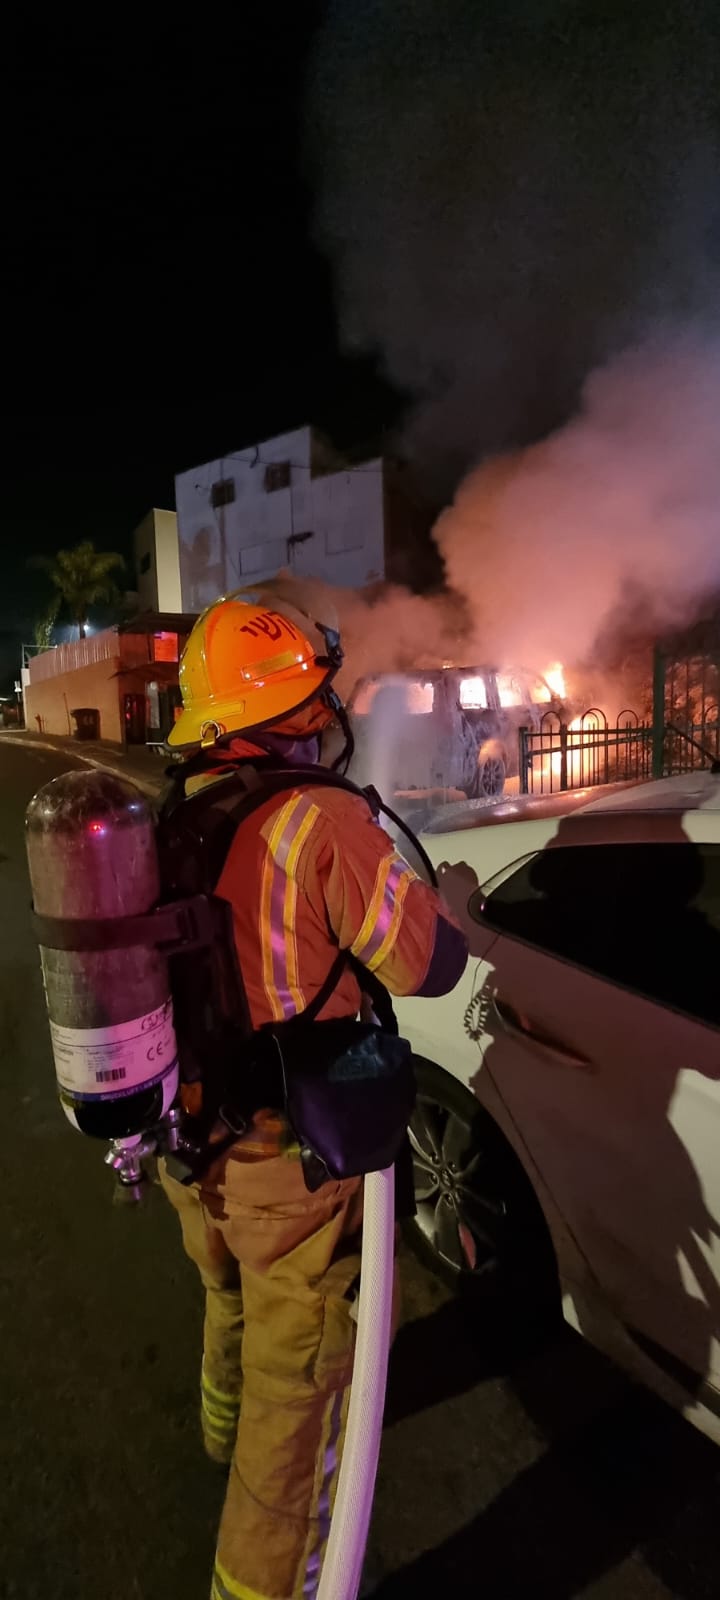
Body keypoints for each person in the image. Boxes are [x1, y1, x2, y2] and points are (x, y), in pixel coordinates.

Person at [158, 586, 468, 1600]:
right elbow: (421, 961)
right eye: (312, 697)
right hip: (286, 1154)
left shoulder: (174, 813)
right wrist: (447, 909)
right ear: (289, 712)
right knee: (294, 1408)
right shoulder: (319, 819)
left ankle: (211, 1422)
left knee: (222, 1287)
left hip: (184, 1135)